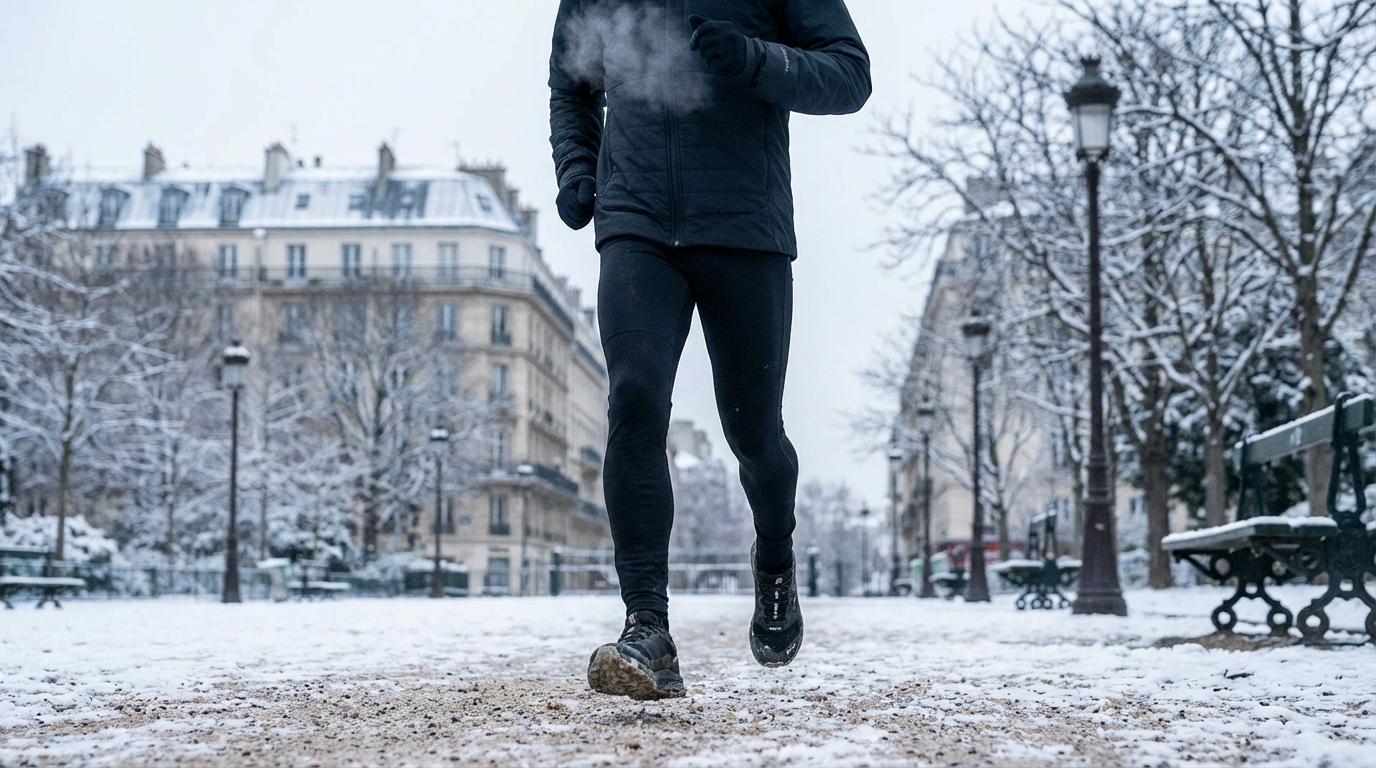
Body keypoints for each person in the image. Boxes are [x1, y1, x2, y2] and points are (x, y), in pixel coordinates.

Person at [549, 0, 870, 701]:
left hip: (744, 225)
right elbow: (571, 84)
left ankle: (775, 555)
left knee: (754, 434)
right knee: (635, 398)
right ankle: (648, 628)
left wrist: (755, 58)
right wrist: (576, 166)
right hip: (636, 223)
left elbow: (850, 76)